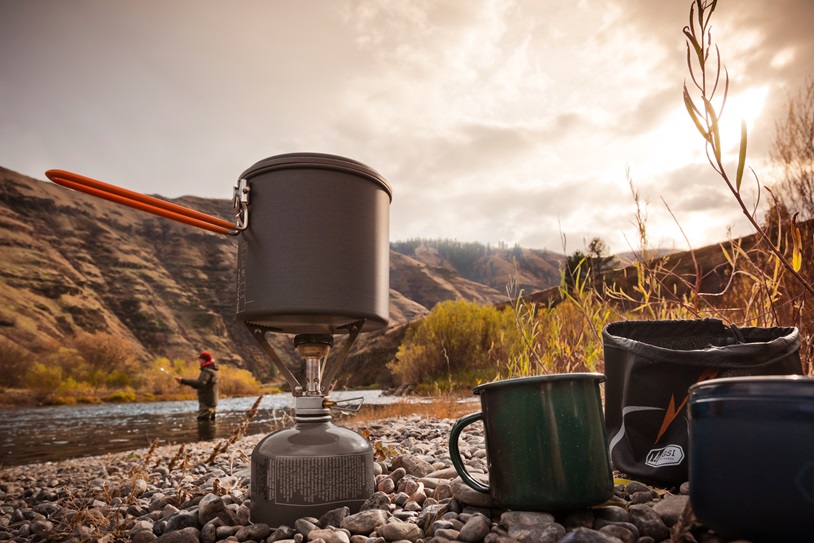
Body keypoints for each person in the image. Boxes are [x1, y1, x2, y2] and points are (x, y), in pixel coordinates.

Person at [177, 351, 220, 421]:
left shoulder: (207, 371)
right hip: (211, 403)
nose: (199, 361)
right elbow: (202, 385)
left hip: (207, 404)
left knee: (203, 424)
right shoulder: (212, 371)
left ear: (204, 360)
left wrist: (183, 381)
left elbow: (200, 383)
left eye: (200, 359)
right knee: (210, 427)